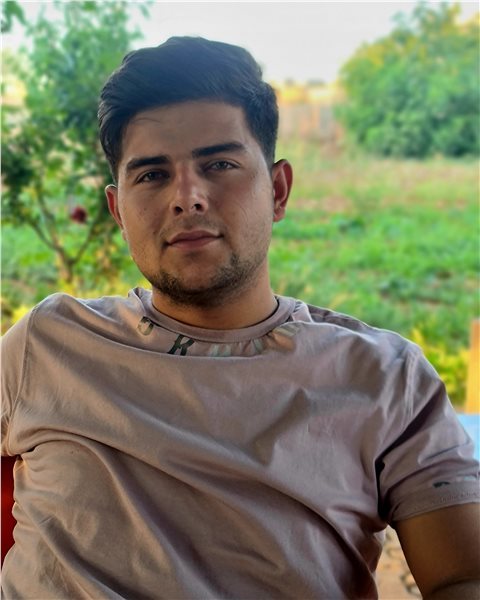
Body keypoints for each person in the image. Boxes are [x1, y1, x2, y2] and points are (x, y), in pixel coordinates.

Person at [1, 36, 479, 600]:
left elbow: (462, 576)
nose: (187, 197)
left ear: (277, 190)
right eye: (151, 175)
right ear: (118, 211)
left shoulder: (384, 377)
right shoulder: (49, 342)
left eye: (219, 164)